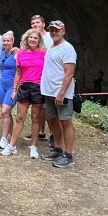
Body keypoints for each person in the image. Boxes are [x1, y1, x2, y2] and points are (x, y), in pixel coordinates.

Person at [1, 29, 47, 158]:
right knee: (19, 117)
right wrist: (14, 89)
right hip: (24, 87)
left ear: (39, 40)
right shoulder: (21, 54)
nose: (32, 40)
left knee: (35, 118)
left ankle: (33, 147)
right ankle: (12, 146)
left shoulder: (44, 53)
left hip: (38, 87)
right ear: (26, 39)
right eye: (30, 38)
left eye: (35, 38)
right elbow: (18, 73)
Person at [40, 20, 77, 168]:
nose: (54, 32)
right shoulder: (51, 47)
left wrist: (61, 93)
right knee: (52, 119)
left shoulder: (67, 48)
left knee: (65, 122)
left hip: (61, 93)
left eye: (56, 30)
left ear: (63, 31)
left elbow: (69, 73)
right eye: (52, 30)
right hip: (49, 91)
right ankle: (57, 148)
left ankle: (68, 155)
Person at [26, 14, 53, 142]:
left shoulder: (50, 37)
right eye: (33, 23)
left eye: (37, 23)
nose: (35, 25)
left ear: (43, 24)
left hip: (49, 76)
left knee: (49, 107)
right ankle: (41, 132)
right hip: (37, 77)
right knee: (39, 106)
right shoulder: (33, 38)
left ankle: (53, 134)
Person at [0, 31, 17, 149]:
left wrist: (16, 88)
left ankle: (3, 139)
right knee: (6, 112)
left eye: (8, 40)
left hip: (12, 86)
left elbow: (20, 71)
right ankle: (10, 134)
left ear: (12, 41)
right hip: (2, 85)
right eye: (4, 40)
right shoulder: (3, 53)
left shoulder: (16, 53)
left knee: (4, 111)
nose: (6, 42)